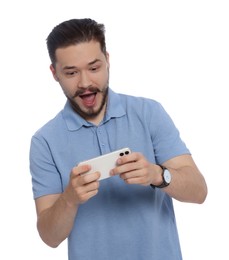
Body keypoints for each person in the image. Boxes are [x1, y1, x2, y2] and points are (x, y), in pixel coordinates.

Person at [29, 18, 208, 260]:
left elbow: (199, 192)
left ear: (107, 61)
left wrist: (158, 174)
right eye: (71, 72)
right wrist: (69, 199)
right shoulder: (45, 141)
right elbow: (49, 237)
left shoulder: (149, 113)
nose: (85, 83)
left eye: (94, 68)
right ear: (55, 73)